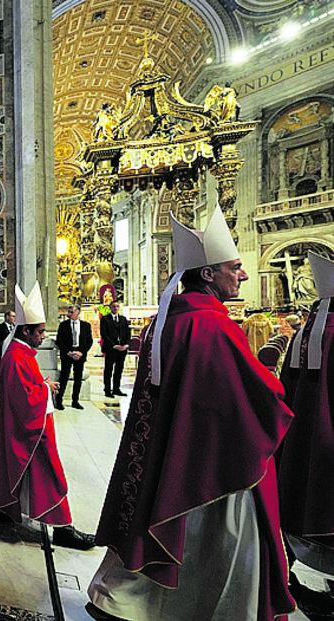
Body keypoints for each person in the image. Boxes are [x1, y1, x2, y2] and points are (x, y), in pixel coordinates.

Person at [87, 207, 295, 621]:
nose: (245, 275)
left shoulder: (172, 320)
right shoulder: (211, 326)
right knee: (217, 542)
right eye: (235, 268)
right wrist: (271, 376)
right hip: (209, 465)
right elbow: (250, 398)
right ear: (207, 274)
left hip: (174, 451)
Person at [0, 283, 95, 550]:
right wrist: (44, 388)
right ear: (26, 330)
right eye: (40, 332)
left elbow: (24, 389)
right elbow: (24, 399)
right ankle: (63, 529)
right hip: (32, 429)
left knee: (10, 470)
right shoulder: (17, 357)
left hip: (31, 424)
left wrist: (40, 385)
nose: (43, 336)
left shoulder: (22, 353)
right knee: (50, 474)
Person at [277, 251, 334, 606]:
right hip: (328, 442)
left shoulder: (307, 331)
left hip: (300, 440)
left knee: (299, 503)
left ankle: (289, 573)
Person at [54, 304, 93, 410]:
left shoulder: (86, 325)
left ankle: (75, 401)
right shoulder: (63, 325)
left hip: (80, 354)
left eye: (71, 312)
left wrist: (81, 352)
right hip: (67, 354)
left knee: (78, 378)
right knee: (64, 377)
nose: (69, 314)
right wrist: (68, 352)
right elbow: (59, 341)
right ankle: (59, 400)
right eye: (69, 312)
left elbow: (89, 341)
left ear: (78, 313)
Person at [99, 301, 130, 398]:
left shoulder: (123, 319)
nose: (116, 308)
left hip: (122, 349)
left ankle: (116, 388)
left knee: (119, 369)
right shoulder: (105, 319)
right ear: (110, 307)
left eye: (117, 306)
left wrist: (126, 344)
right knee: (108, 369)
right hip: (111, 348)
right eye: (114, 306)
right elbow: (104, 334)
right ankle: (107, 390)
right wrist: (114, 345)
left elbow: (128, 333)